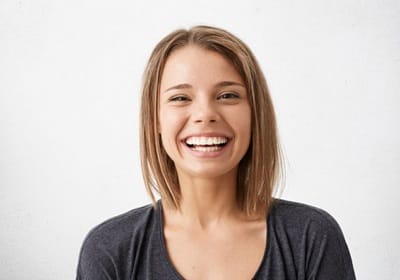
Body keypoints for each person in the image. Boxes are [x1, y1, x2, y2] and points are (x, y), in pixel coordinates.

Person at [76, 25, 356, 279]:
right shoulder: (109, 250)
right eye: (180, 98)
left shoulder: (312, 237)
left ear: (255, 114)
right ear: (155, 120)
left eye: (227, 96)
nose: (205, 114)